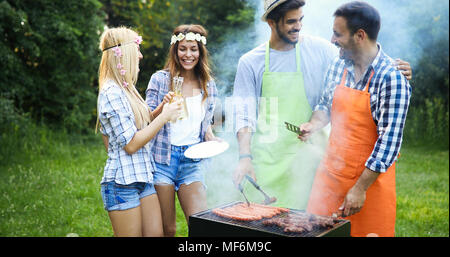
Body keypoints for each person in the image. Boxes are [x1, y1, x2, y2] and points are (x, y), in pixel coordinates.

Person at [231, 0, 412, 209]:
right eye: (291, 21)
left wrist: (396, 67)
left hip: (310, 162)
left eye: (300, 19)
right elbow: (243, 114)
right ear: (272, 23)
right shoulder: (250, 62)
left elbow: (361, 51)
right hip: (267, 161)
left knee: (307, 226)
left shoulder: (319, 49)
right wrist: (244, 157)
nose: (298, 26)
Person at [299, 1, 412, 237]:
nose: (332, 40)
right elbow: (325, 105)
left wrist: (359, 189)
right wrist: (314, 123)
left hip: (369, 186)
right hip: (329, 178)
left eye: (337, 34)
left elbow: (388, 143)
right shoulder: (337, 65)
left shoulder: (391, 79)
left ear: (360, 36)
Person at [97, 27, 182, 237]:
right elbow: (132, 144)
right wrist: (165, 117)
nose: (141, 55)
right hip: (121, 183)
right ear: (123, 53)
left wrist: (160, 109)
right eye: (137, 50)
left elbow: (139, 128)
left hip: (142, 177)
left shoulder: (127, 88)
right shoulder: (111, 92)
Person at [145, 24, 219, 237]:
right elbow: (145, 120)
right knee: (168, 229)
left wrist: (213, 140)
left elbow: (205, 128)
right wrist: (162, 106)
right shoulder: (160, 79)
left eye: (193, 49)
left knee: (200, 227)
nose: (188, 54)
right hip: (162, 161)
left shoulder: (208, 85)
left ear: (201, 51)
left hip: (192, 161)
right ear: (175, 51)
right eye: (183, 49)